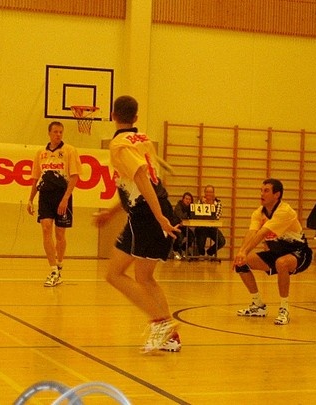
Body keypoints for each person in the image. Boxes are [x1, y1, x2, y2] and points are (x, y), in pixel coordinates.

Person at [94, 95, 181, 353]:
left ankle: (161, 323)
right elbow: (132, 186)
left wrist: (160, 217)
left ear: (113, 115)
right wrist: (112, 212)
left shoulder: (119, 145)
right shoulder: (142, 139)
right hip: (144, 213)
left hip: (148, 214)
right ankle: (169, 335)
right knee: (134, 276)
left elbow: (142, 179)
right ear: (136, 117)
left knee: (125, 275)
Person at [234, 178, 312, 325]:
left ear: (277, 195)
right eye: (261, 190)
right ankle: (258, 305)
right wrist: (241, 252)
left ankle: (284, 309)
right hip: (276, 252)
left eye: (266, 191)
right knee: (241, 263)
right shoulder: (258, 212)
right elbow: (252, 232)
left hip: (299, 252)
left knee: (281, 263)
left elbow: (261, 233)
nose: (262, 194)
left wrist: (245, 251)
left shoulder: (285, 211)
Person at [27, 121, 82, 287]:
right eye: (55, 132)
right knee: (45, 228)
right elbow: (36, 177)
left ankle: (59, 264)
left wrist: (66, 198)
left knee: (60, 234)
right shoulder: (41, 153)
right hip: (45, 195)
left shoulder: (69, 151)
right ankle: (53, 271)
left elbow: (74, 176)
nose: (58, 134)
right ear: (49, 133)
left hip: (62, 195)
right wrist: (30, 199)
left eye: (60, 132)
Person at [194, 185, 226, 257]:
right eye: (207, 192)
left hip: (212, 227)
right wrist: (203, 204)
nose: (208, 194)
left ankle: (209, 252)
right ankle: (201, 254)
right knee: (200, 242)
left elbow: (217, 217)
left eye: (210, 192)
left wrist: (210, 206)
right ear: (204, 193)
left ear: (213, 193)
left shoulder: (218, 203)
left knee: (222, 241)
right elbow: (197, 215)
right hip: (201, 227)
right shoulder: (200, 202)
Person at [172, 192, 195, 259]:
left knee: (192, 236)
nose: (188, 201)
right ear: (183, 199)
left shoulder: (191, 207)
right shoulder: (178, 206)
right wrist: (188, 215)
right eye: (186, 199)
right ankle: (175, 250)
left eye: (189, 199)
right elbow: (181, 216)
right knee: (180, 237)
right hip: (176, 226)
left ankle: (183, 249)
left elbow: (193, 216)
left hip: (184, 226)